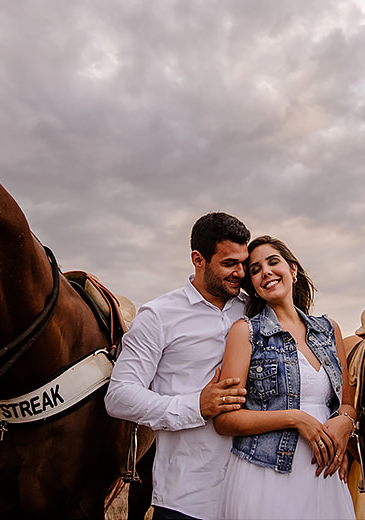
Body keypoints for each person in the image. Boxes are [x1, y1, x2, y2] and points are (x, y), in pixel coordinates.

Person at [105, 212, 251, 520]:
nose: (240, 272)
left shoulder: (254, 310)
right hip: (188, 494)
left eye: (243, 262)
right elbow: (119, 396)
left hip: (253, 492)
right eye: (229, 263)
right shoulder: (158, 316)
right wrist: (196, 406)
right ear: (198, 259)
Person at [215, 235, 356, 520]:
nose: (265, 271)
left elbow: (348, 404)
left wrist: (345, 421)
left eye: (273, 262)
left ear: (293, 270)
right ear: (253, 286)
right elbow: (225, 420)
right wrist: (295, 418)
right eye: (255, 269)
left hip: (323, 475)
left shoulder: (329, 329)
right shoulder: (245, 332)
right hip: (265, 476)